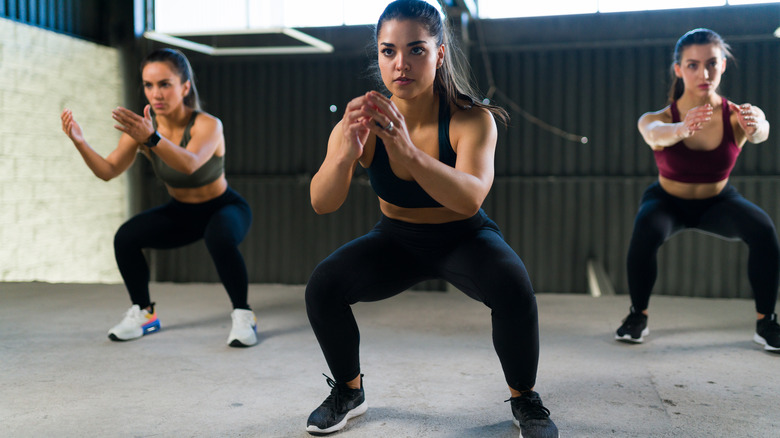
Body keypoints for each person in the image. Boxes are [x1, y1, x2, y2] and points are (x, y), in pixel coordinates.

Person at [304, 1, 558, 436]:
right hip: (397, 238)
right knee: (323, 286)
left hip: (462, 236)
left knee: (513, 287)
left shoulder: (472, 119)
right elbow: (321, 202)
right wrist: (345, 153)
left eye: (416, 50)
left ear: (440, 53)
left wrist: (406, 151)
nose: (400, 64)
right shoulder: (363, 122)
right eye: (388, 51)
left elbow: (469, 200)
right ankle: (349, 391)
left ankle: (525, 399)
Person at [61, 48, 257, 347]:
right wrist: (81, 143)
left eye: (165, 84)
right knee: (126, 237)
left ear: (185, 87)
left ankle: (244, 315)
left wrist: (151, 138)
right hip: (182, 212)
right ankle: (144, 313)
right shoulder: (142, 130)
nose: (156, 93)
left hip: (224, 207)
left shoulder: (207, 125)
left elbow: (190, 164)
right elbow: (108, 170)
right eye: (149, 85)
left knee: (219, 238)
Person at [616, 28, 780, 353]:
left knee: (764, 231)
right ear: (678, 69)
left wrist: (757, 128)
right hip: (667, 201)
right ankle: (638, 316)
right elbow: (655, 135)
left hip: (717, 201)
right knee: (645, 230)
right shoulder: (659, 117)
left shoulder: (738, 115)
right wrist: (682, 127)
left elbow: (762, 129)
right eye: (692, 65)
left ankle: (766, 322)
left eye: (712, 64)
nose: (703, 73)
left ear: (723, 65)